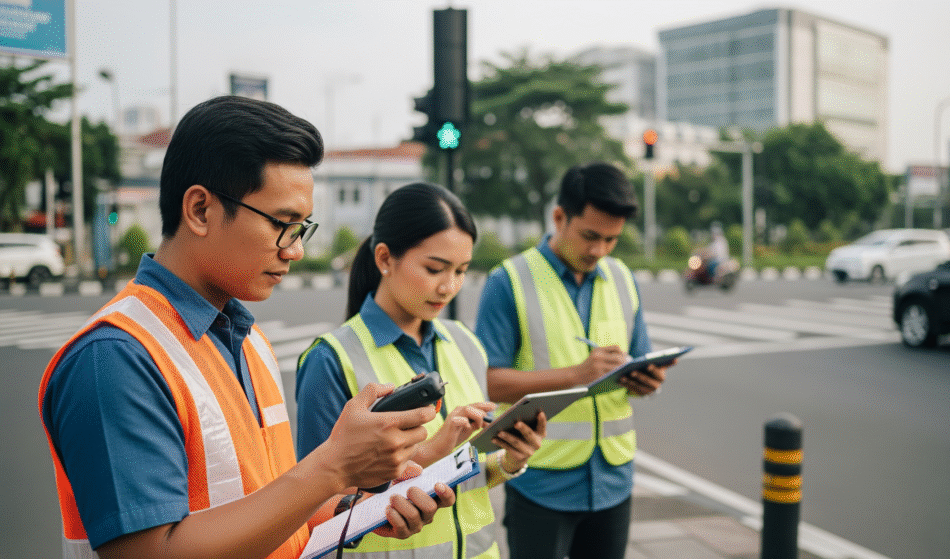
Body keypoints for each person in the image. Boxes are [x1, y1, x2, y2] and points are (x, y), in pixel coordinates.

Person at [38, 96, 454, 559]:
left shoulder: (248, 340)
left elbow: (265, 504)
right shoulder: (116, 356)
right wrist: (333, 466)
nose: (294, 250)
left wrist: (359, 509)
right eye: (283, 224)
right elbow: (151, 551)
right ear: (200, 210)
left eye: (302, 228)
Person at [296, 182, 547, 558]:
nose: (449, 286)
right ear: (385, 258)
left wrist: (510, 460)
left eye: (461, 271)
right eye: (434, 269)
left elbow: (469, 476)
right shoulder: (331, 359)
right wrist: (429, 454)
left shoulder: (466, 342)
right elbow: (315, 506)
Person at [474, 162, 676, 559]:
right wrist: (578, 375)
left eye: (611, 239)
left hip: (613, 481)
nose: (598, 250)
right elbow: (487, 381)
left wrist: (645, 380)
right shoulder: (508, 281)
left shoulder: (621, 278)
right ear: (559, 217)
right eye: (589, 236)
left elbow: (638, 357)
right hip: (540, 480)